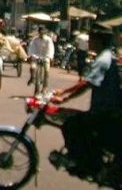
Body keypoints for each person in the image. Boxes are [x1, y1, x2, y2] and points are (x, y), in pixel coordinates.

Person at [51, 23, 122, 178]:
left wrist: (64, 96)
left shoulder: (103, 59)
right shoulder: (107, 56)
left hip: (105, 112)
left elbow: (86, 83)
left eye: (91, 39)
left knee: (71, 124)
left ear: (98, 40)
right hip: (107, 110)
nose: (88, 42)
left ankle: (84, 164)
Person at [27, 25, 55, 91]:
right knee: (32, 67)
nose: (41, 33)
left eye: (43, 32)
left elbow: (51, 49)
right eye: (40, 32)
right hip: (36, 56)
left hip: (45, 56)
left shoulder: (48, 40)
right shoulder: (35, 40)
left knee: (47, 70)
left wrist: (50, 57)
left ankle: (45, 87)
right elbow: (31, 48)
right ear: (38, 32)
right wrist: (30, 55)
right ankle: (32, 77)